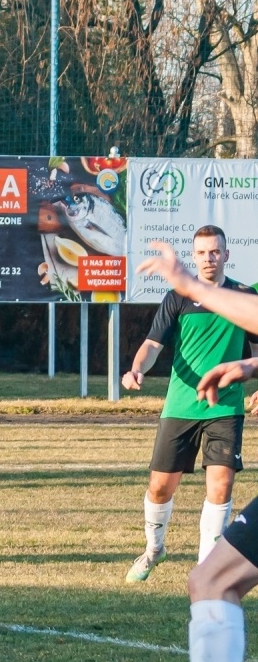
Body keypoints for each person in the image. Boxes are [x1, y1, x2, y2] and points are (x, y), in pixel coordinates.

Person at [134, 240, 258, 662]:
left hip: (220, 415)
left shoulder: (231, 292)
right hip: (181, 410)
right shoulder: (178, 306)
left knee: (211, 574)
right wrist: (249, 366)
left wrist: (190, 284)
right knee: (210, 580)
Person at [121, 226, 256, 581]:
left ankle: (207, 567)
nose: (209, 258)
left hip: (225, 407)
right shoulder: (178, 298)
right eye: (202, 252)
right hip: (180, 406)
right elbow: (152, 344)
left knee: (221, 485)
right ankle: (154, 549)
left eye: (215, 251)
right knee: (160, 487)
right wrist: (137, 369)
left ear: (226, 255)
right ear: (194, 257)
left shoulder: (244, 297)